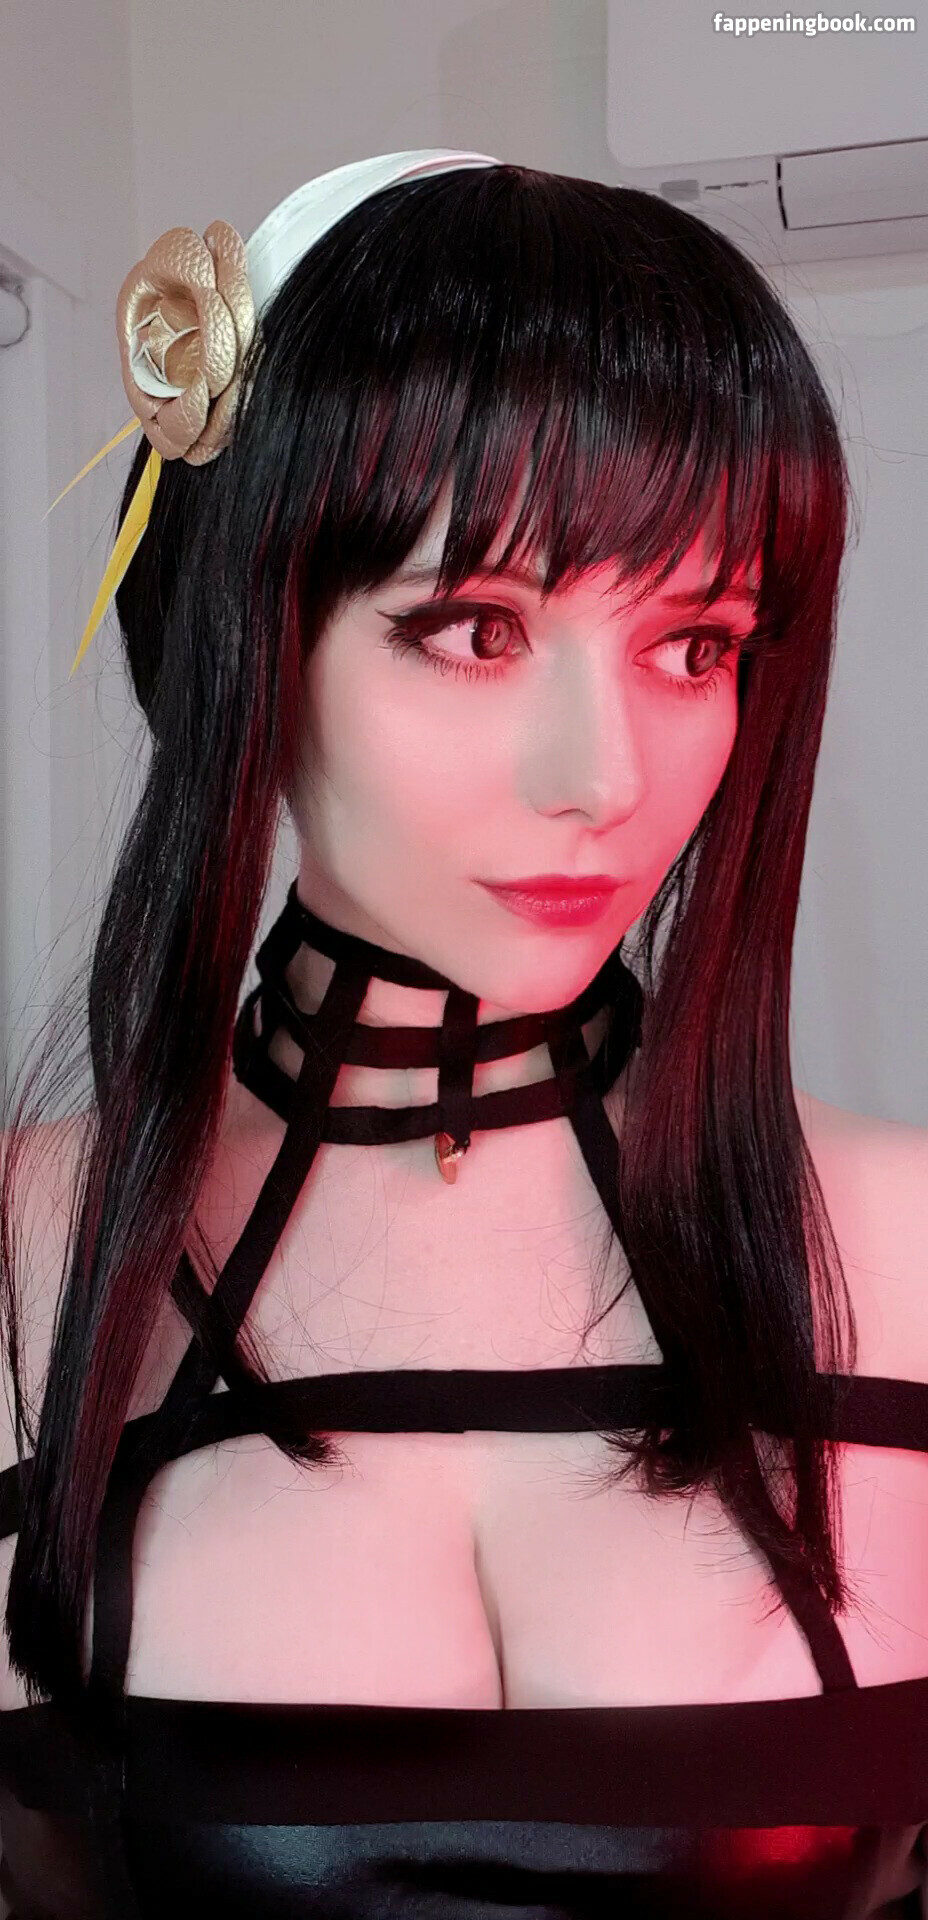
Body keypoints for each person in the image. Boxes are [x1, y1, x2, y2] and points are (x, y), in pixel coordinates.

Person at [0, 147, 925, 1919]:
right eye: (479, 629)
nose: (606, 778)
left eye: (694, 644)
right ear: (246, 637)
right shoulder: (24, 1259)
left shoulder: (911, 1245)